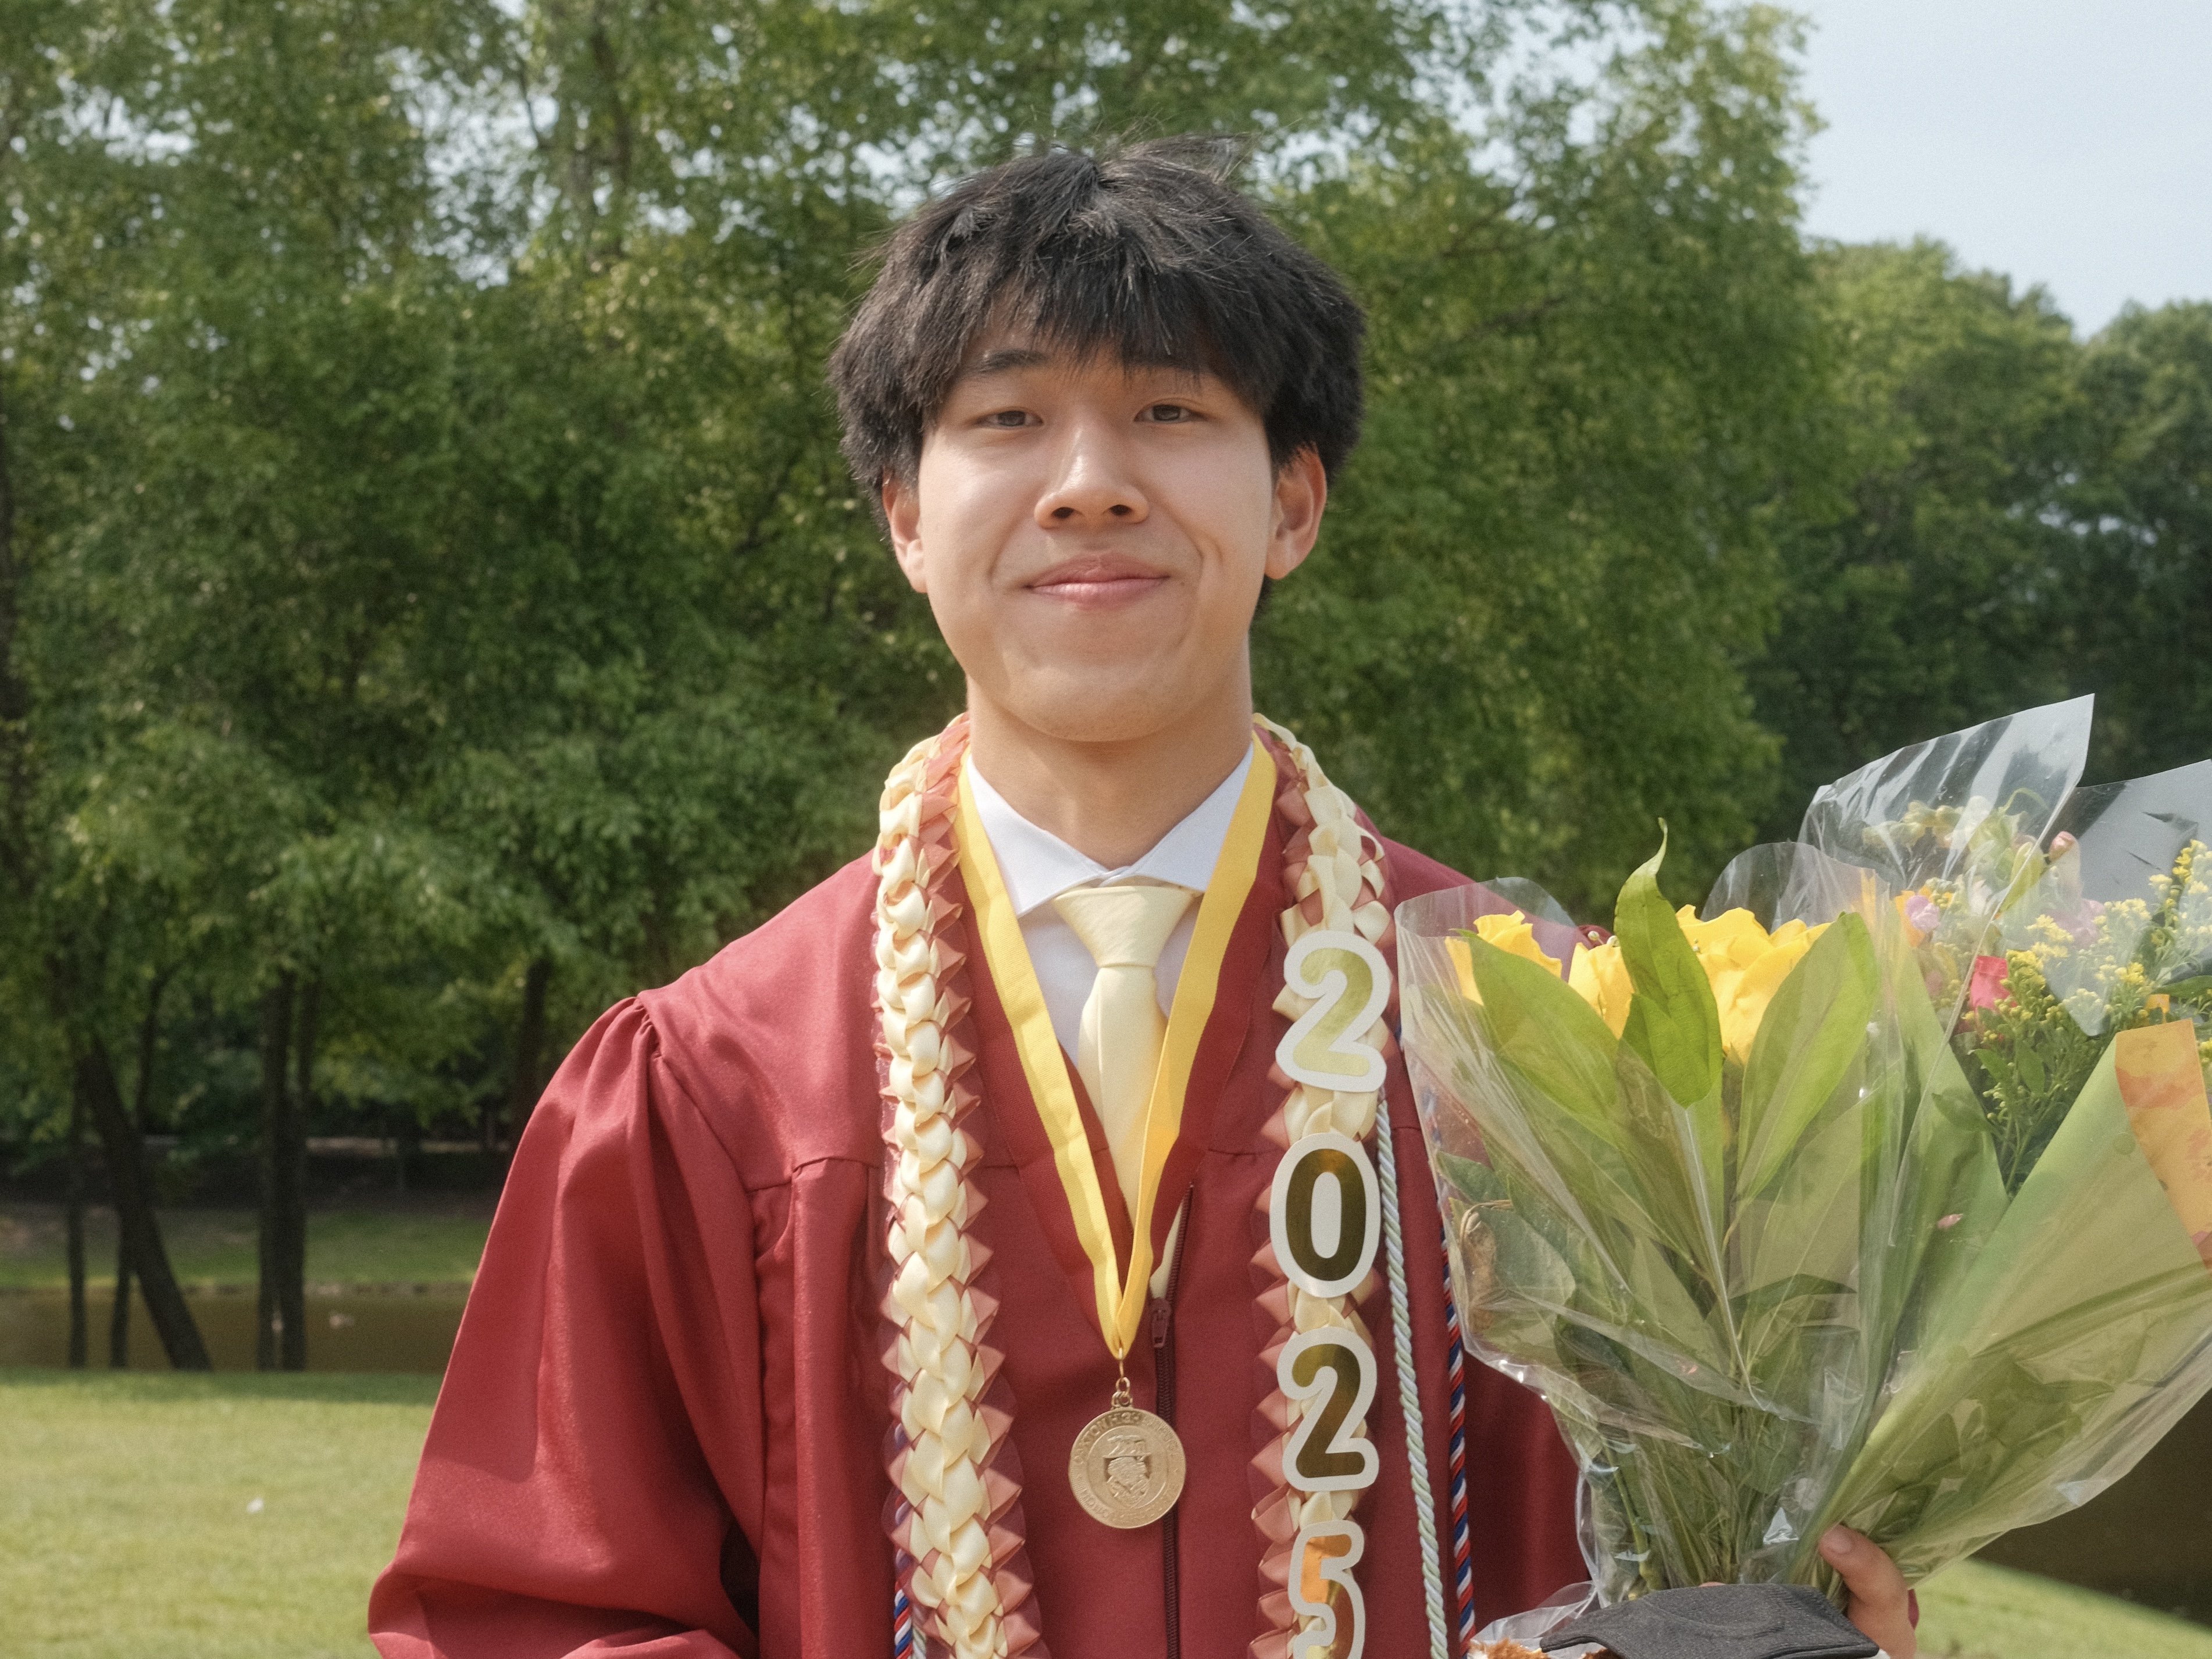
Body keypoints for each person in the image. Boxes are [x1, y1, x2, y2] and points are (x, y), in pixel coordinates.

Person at [370, 140, 1917, 1659]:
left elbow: (1707, 1552)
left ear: (1294, 505)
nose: (1089, 484)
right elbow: (541, 1618)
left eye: (1169, 411)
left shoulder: (1553, 1046)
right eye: (1009, 417)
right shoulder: (716, 1083)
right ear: (906, 517)